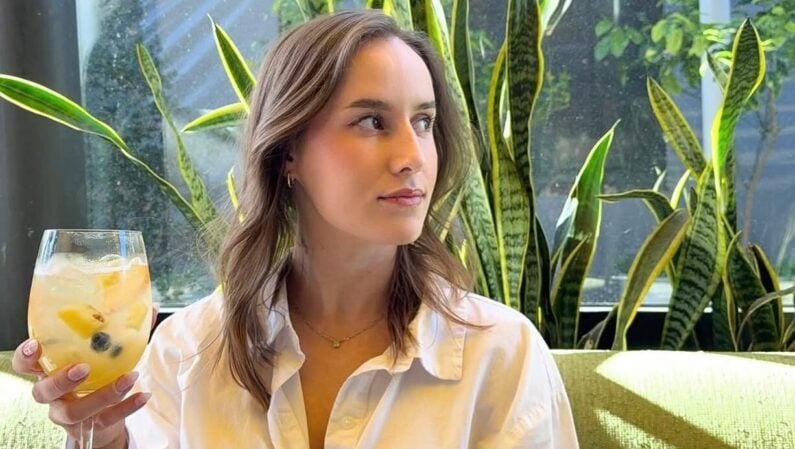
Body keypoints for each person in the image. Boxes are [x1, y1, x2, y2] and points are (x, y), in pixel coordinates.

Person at [12, 9, 579, 449]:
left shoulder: (501, 354)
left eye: (424, 121)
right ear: (288, 152)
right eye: (372, 121)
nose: (413, 156)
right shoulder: (187, 349)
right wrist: (104, 437)